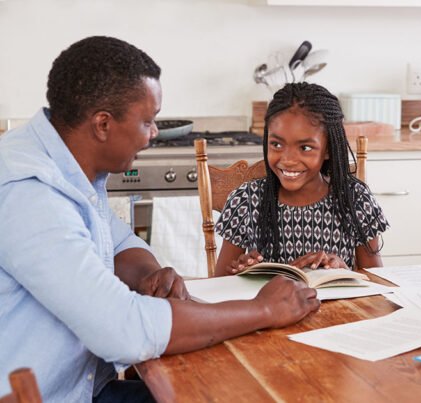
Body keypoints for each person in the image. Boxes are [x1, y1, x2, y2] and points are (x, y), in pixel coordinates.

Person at [0, 36, 320, 402]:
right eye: (148, 122)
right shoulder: (29, 192)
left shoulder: (58, 158)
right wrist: (262, 309)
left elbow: (119, 243)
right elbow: (125, 331)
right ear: (103, 124)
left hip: (84, 386)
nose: (153, 134)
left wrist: (149, 274)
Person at [214, 82, 390, 277]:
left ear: (328, 149)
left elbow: (377, 283)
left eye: (305, 148)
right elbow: (219, 285)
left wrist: (345, 271)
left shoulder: (355, 198)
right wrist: (240, 273)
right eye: (276, 144)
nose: (288, 160)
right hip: (270, 307)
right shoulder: (246, 200)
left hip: (340, 307)